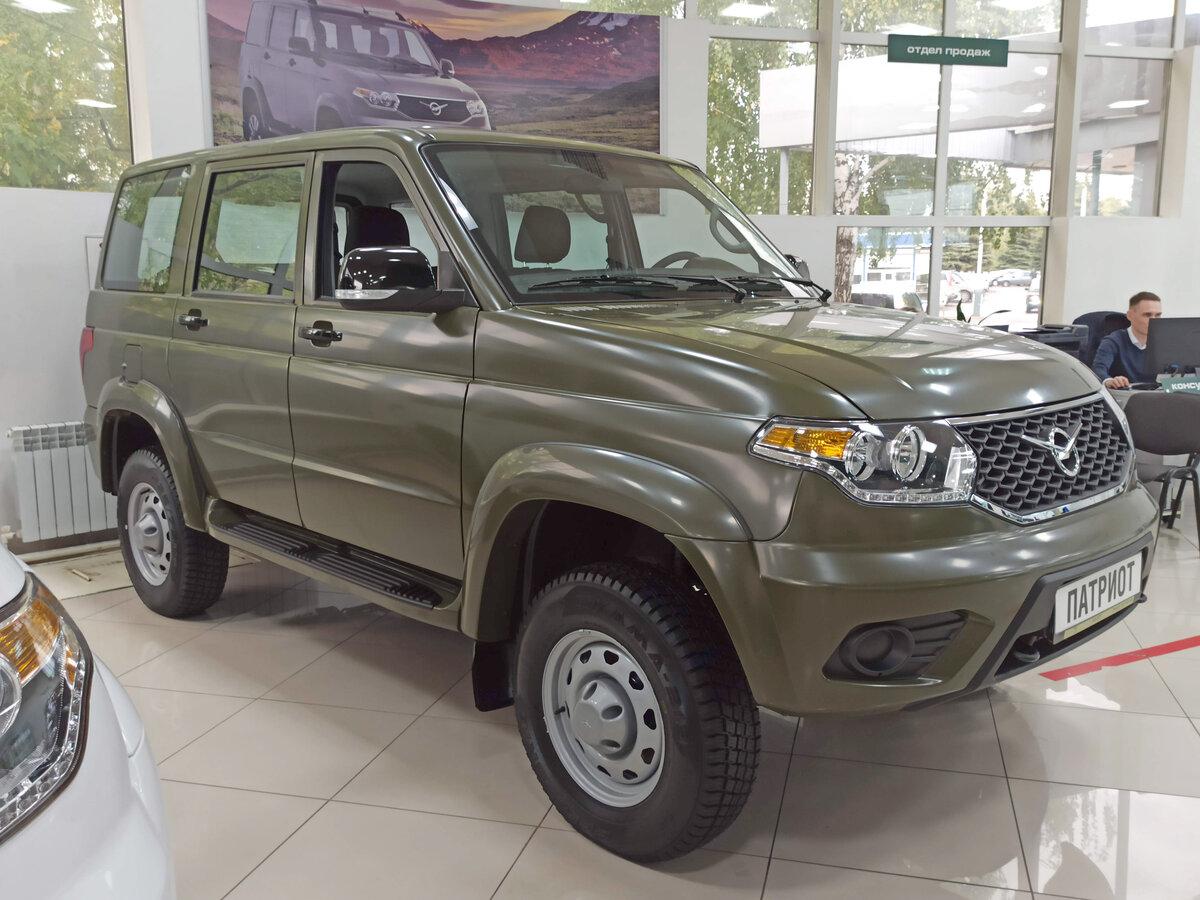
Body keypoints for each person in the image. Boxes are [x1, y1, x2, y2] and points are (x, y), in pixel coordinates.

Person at [1092, 291, 1163, 389]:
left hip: (1158, 396)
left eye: (1158, 315)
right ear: (1130, 316)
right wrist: (1109, 381)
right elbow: (1098, 370)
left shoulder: (1165, 342)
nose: (1153, 320)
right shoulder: (1113, 341)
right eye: (1147, 315)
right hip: (1125, 396)